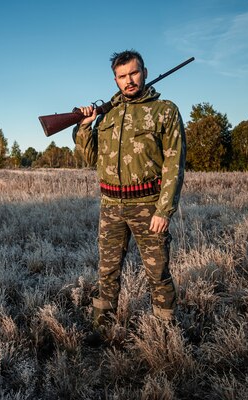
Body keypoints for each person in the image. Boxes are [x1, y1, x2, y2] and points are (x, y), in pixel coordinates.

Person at [73, 49, 186, 331]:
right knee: (106, 272)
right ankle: (103, 329)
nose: (129, 80)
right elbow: (91, 159)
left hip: (148, 206)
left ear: (145, 72)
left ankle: (164, 332)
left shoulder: (165, 111)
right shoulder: (107, 113)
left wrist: (164, 210)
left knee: (157, 272)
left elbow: (174, 164)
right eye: (122, 76)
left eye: (134, 73)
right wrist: (85, 127)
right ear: (115, 79)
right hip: (110, 206)